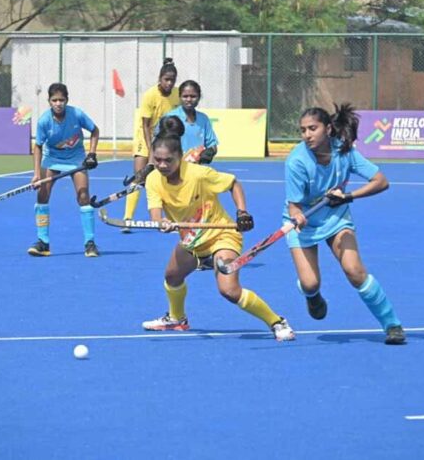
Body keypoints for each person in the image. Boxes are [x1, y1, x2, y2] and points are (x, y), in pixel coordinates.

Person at [142, 134, 295, 342]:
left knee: (229, 290)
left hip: (222, 236)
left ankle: (277, 322)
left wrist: (242, 212)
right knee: (172, 276)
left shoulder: (198, 174)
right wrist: (160, 223)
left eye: (168, 160)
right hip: (192, 239)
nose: (162, 165)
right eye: (158, 160)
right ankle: (177, 319)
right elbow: (155, 213)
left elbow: (233, 183)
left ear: (179, 156)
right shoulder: (153, 179)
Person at [284, 103, 406, 345]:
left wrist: (348, 197)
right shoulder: (296, 161)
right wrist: (298, 217)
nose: (307, 135)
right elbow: (293, 206)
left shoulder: (344, 151)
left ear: (328, 129)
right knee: (310, 283)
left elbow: (381, 181)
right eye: (303, 130)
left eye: (312, 128)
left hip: (336, 218)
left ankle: (392, 325)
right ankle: (312, 295)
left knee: (354, 271)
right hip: (304, 224)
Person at [28, 82, 100, 258]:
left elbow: (95, 130)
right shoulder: (44, 121)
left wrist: (92, 154)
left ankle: (90, 243)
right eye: (54, 100)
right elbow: (38, 146)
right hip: (52, 159)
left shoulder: (77, 114)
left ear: (67, 100)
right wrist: (36, 174)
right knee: (42, 196)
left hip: (76, 159)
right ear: (49, 101)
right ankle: (43, 242)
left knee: (83, 197)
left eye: (61, 100)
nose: (58, 103)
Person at [122, 58, 180, 232]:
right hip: (146, 138)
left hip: (165, 140)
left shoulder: (177, 94)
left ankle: (170, 219)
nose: (169, 83)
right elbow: (146, 126)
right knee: (139, 177)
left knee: (170, 178)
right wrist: (151, 152)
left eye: (172, 80)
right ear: (160, 79)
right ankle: (127, 218)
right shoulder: (150, 95)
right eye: (166, 79)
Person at [157, 80, 218, 164]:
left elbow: (212, 145)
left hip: (197, 167)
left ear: (199, 97)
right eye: (185, 96)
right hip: (173, 167)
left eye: (193, 96)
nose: (189, 99)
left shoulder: (203, 119)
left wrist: (209, 152)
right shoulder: (170, 118)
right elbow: (157, 143)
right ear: (179, 97)